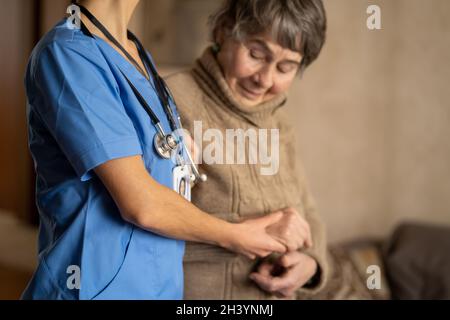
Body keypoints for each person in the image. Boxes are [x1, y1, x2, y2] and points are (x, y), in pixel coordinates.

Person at [22, 0, 307, 300]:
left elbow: (155, 159)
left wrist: (180, 151)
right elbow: (142, 204)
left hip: (161, 287)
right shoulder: (67, 55)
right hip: (95, 286)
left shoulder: (134, 51)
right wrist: (238, 235)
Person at [166, 0, 329, 299]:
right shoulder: (170, 104)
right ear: (223, 32)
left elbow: (309, 211)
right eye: (256, 54)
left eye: (285, 67)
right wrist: (246, 237)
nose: (264, 79)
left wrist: (311, 262)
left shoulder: (279, 119)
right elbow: (142, 226)